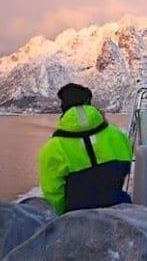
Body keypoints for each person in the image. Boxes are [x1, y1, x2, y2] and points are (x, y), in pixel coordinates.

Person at [38, 83, 133, 215]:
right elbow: (126, 167)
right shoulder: (117, 135)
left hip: (76, 217)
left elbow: (53, 194)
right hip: (119, 211)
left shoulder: (52, 148)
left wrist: (61, 217)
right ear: (89, 103)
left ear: (63, 107)